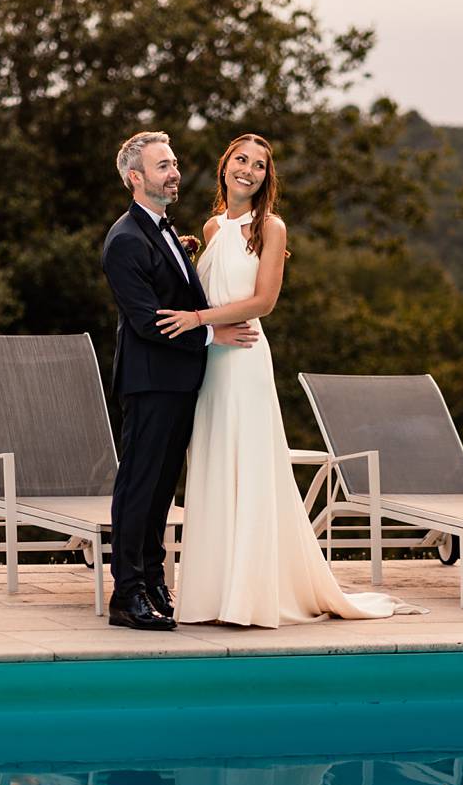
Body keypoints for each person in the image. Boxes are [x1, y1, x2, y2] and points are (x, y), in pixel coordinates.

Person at [158, 133, 420, 626]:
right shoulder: (212, 228)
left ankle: (250, 596)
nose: (248, 170)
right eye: (241, 160)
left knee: (251, 466)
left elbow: (263, 303)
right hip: (213, 361)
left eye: (259, 165)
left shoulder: (270, 227)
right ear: (225, 165)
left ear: (265, 178)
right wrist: (205, 316)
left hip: (246, 359)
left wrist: (198, 320)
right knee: (215, 464)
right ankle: (213, 593)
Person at [102, 131, 257, 632]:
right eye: (163, 166)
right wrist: (215, 331)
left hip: (178, 382)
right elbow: (151, 322)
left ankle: (151, 581)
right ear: (135, 178)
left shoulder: (164, 230)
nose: (174, 173)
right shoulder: (124, 239)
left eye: (173, 163)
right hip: (149, 382)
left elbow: (174, 287)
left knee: (162, 490)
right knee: (139, 487)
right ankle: (126, 594)